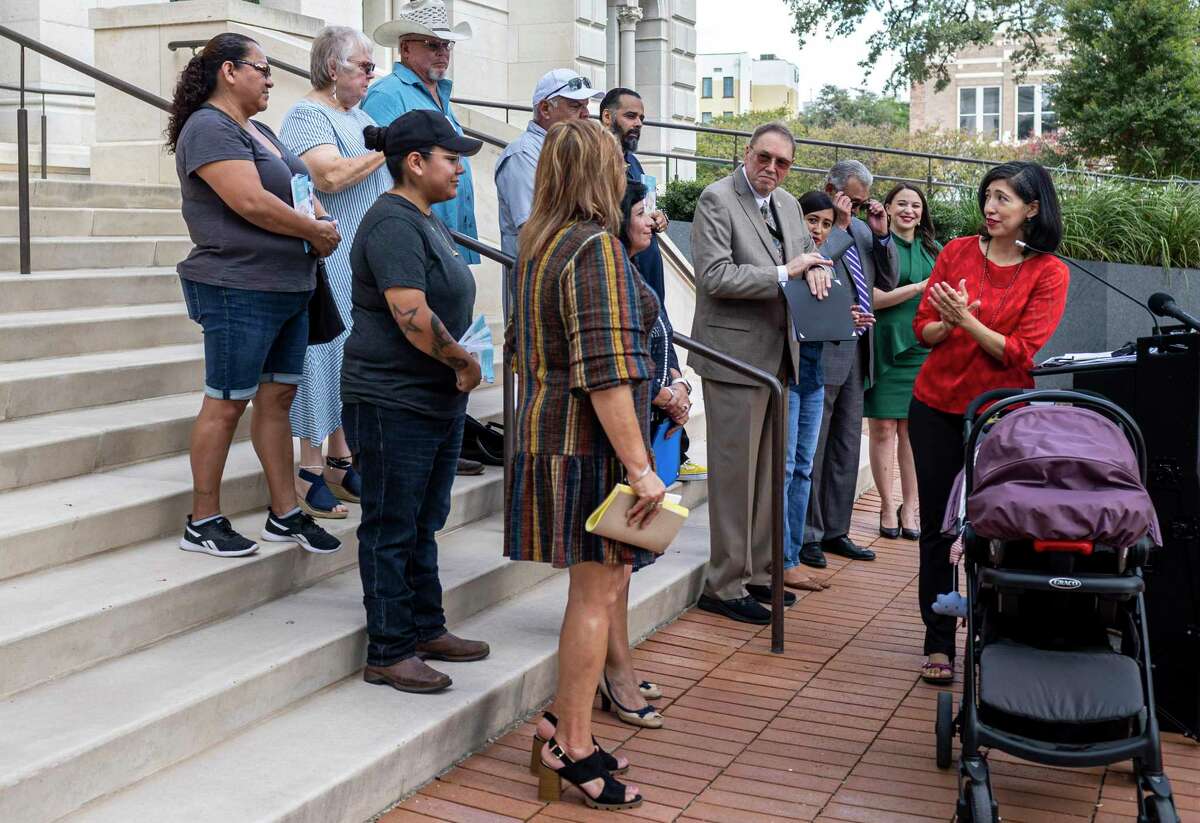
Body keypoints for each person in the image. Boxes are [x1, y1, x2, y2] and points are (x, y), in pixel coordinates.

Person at [505, 118, 660, 810]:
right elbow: (605, 374)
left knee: (590, 594)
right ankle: (572, 743)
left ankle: (561, 726)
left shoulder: (538, 244)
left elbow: (521, 349)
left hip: (550, 435)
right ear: (604, 174)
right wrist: (641, 466)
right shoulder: (591, 248)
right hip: (588, 444)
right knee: (598, 596)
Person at [167, 32, 342, 558]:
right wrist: (311, 231)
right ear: (228, 71)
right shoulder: (208, 127)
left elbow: (293, 190)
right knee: (226, 402)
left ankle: (285, 514)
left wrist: (316, 221)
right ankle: (203, 519)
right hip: (236, 286)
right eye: (261, 69)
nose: (269, 78)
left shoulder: (259, 129)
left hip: (288, 284)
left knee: (279, 397)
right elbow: (249, 201)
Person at [342, 110, 491, 694]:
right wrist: (463, 361)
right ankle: (389, 649)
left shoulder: (427, 220)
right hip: (391, 399)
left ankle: (426, 626)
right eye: (451, 158)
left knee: (425, 519)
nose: (458, 168)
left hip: (434, 400)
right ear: (415, 162)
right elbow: (411, 315)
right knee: (391, 524)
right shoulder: (391, 223)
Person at [909, 161, 1068, 684]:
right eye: (988, 196)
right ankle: (939, 643)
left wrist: (967, 320)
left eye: (1003, 199)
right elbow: (922, 330)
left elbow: (1020, 356)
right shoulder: (955, 251)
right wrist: (944, 324)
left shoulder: (1049, 271)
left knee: (996, 527)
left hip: (999, 419)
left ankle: (998, 637)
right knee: (936, 528)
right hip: (933, 406)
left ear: (1033, 209)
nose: (991, 208)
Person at [690, 122, 840, 625]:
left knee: (769, 473)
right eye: (765, 158)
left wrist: (817, 270)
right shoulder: (716, 199)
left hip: (781, 356)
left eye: (783, 163)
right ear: (747, 153)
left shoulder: (790, 205)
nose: (772, 169)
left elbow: (806, 262)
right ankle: (723, 583)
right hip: (733, 358)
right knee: (735, 476)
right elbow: (713, 276)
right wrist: (786, 272)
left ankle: (756, 571)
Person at [279, 26, 392, 519]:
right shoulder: (307, 114)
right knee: (320, 362)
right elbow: (327, 175)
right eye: (364, 66)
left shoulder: (362, 117)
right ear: (333, 69)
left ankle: (341, 460)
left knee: (349, 362)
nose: (371, 74)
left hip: (361, 265)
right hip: (327, 261)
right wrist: (389, 148)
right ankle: (308, 466)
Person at [600, 86, 707, 484]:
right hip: (623, 277)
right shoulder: (600, 161)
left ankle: (672, 451)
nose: (638, 124)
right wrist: (661, 393)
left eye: (641, 117)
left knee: (660, 338)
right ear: (607, 116)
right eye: (630, 116)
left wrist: (655, 218)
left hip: (645, 272)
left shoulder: (633, 163)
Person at [800, 160, 898, 570]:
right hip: (825, 350)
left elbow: (888, 280)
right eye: (852, 201)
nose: (857, 209)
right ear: (832, 188)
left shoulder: (861, 228)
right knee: (816, 449)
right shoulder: (816, 225)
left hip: (860, 349)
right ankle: (808, 535)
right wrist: (838, 225)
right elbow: (816, 261)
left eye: (862, 203)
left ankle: (837, 530)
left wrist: (882, 234)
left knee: (844, 445)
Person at [363, 0, 478, 263]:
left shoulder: (439, 93)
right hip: (416, 238)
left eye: (446, 45)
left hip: (446, 236)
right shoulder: (386, 94)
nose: (443, 53)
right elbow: (377, 167)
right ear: (405, 48)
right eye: (432, 44)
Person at [864, 185, 938, 540]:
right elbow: (872, 299)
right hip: (884, 346)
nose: (909, 210)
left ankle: (911, 507)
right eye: (902, 204)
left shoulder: (933, 251)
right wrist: (919, 287)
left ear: (922, 213)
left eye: (916, 205)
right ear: (889, 209)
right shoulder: (875, 246)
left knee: (912, 432)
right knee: (882, 430)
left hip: (922, 349)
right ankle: (886, 504)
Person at [495, 69, 603, 261]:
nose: (585, 114)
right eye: (575, 106)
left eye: (586, 106)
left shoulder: (572, 151)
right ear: (545, 109)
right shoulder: (522, 154)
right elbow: (533, 229)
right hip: (537, 279)